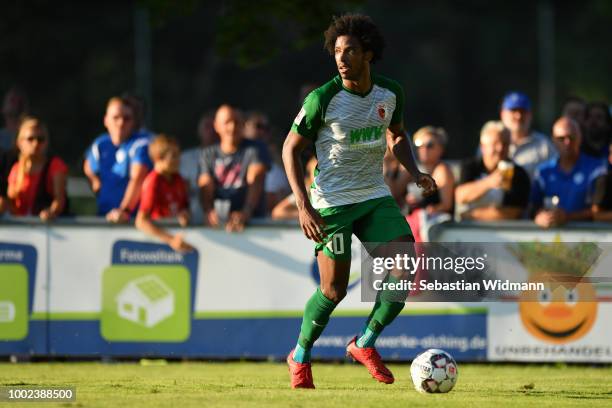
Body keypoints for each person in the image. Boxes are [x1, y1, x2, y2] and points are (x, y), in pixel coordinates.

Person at [282, 14, 436, 389]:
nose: (341, 57)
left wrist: (415, 173)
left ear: (368, 54)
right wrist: (303, 205)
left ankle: (364, 343)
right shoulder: (322, 98)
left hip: (373, 196)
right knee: (333, 291)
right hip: (332, 204)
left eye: (350, 50)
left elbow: (397, 136)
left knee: (404, 267)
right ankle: (300, 355)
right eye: (337, 51)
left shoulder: (390, 92)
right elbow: (290, 149)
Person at [198, 104, 267, 232]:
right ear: (216, 126)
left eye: (236, 122)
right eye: (227, 122)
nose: (232, 127)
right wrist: (209, 212)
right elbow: (205, 184)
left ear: (243, 125)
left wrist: (246, 212)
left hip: (254, 226)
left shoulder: (256, 149)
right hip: (218, 226)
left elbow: (256, 180)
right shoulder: (207, 154)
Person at [83, 96, 152, 222]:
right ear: (105, 120)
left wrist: (124, 210)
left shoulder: (141, 144)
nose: (121, 123)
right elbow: (87, 165)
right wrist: (95, 182)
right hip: (104, 217)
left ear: (134, 122)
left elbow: (137, 178)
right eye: (116, 118)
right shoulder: (100, 144)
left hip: (133, 221)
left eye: (127, 119)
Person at [531, 117, 606, 228]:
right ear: (553, 140)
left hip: (589, 239)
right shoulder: (543, 172)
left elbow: (600, 212)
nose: (567, 142)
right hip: (548, 242)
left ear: (580, 138)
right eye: (561, 138)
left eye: (572, 137)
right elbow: (532, 208)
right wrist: (538, 217)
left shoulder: (597, 169)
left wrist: (568, 217)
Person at [455, 121, 530, 220]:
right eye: (495, 144)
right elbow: (460, 196)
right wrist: (489, 182)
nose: (500, 148)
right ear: (483, 147)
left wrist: (470, 215)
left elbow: (513, 213)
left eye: (505, 144)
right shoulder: (470, 166)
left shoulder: (518, 173)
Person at [135, 135, 193, 253]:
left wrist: (185, 214)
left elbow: (185, 208)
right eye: (174, 156)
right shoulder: (153, 182)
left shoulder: (178, 179)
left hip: (177, 243)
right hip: (159, 248)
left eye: (178, 155)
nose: (179, 160)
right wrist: (171, 240)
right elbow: (141, 222)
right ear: (158, 158)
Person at [7, 117, 68, 220]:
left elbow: (59, 200)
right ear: (19, 143)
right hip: (21, 229)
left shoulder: (55, 165)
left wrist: (51, 212)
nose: (35, 144)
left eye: (40, 139)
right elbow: (10, 202)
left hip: (49, 227)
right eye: (30, 139)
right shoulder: (16, 169)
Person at [500, 91, 557, 180]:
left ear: (530, 114)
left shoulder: (544, 145)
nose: (518, 116)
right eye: (513, 110)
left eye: (523, 111)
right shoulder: (491, 144)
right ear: (502, 114)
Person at [179, 111, 218, 224]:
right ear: (199, 131)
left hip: (217, 222)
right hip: (188, 222)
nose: (211, 131)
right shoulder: (184, 158)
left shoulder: (229, 159)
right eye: (207, 126)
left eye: (214, 126)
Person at [271, 155, 316, 220]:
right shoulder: (307, 191)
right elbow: (278, 212)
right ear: (309, 174)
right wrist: (306, 214)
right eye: (316, 172)